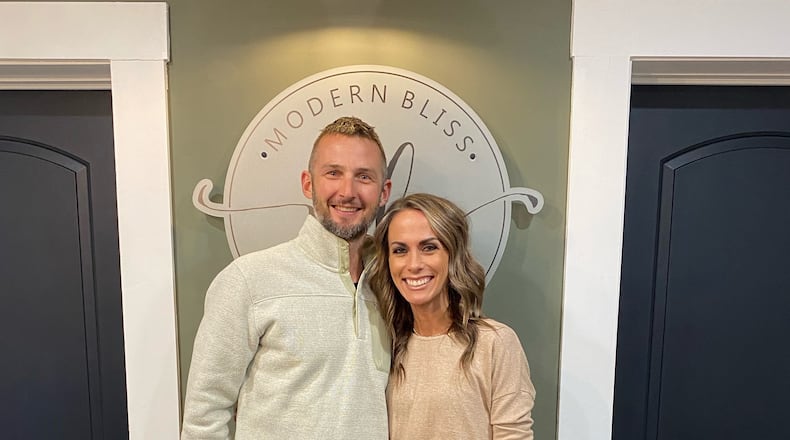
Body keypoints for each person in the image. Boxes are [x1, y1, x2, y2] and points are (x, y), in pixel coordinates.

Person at [181, 116, 392, 439]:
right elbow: (203, 417)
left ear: (384, 192)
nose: (347, 191)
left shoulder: (394, 286)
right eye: (333, 173)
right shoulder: (248, 280)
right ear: (308, 183)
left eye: (363, 176)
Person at [369, 193, 536, 440]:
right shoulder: (385, 345)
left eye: (429, 247)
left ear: (453, 254)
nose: (413, 264)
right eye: (400, 250)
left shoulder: (495, 343)